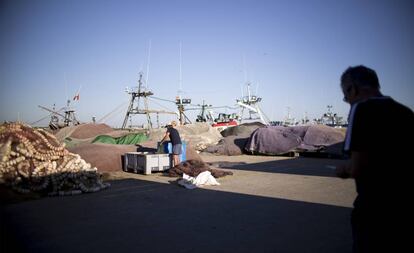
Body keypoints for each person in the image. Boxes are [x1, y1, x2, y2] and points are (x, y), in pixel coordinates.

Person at [336, 65, 413, 252]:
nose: (347, 101)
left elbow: (357, 167)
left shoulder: (361, 109)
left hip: (375, 207)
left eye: (346, 96)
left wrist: (343, 170)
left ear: (352, 89)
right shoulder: (406, 111)